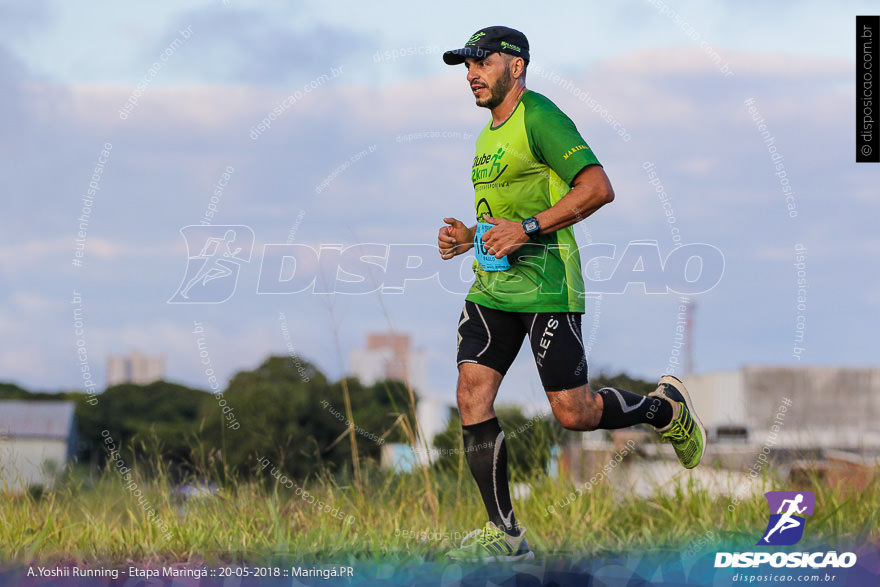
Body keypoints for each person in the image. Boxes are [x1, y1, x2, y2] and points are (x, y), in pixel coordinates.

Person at [437, 26, 706, 562]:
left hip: (548, 286)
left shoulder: (541, 117)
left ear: (515, 66)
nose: (470, 75)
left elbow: (597, 188)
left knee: (574, 413)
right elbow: (505, 216)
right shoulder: (488, 134)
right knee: (471, 395)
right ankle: (506, 535)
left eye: (481, 63)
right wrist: (470, 235)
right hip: (493, 288)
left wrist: (530, 227)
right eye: (465, 66)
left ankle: (664, 409)